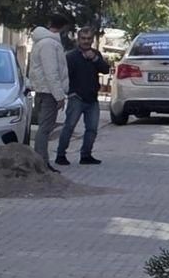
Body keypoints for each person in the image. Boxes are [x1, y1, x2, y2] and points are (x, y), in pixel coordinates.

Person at [56, 27, 111, 166]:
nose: (86, 41)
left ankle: (86, 155)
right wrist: (70, 92)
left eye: (89, 39)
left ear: (92, 40)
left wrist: (95, 59)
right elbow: (64, 77)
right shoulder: (71, 56)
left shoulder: (95, 54)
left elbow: (105, 70)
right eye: (83, 38)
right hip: (76, 98)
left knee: (92, 129)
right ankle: (60, 155)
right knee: (69, 127)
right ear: (78, 39)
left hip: (92, 99)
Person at [26, 15, 71, 165]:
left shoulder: (43, 42)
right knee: (45, 129)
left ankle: (41, 160)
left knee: (44, 128)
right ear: (64, 28)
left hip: (44, 90)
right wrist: (59, 95)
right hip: (48, 92)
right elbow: (51, 72)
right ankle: (42, 162)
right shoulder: (49, 45)